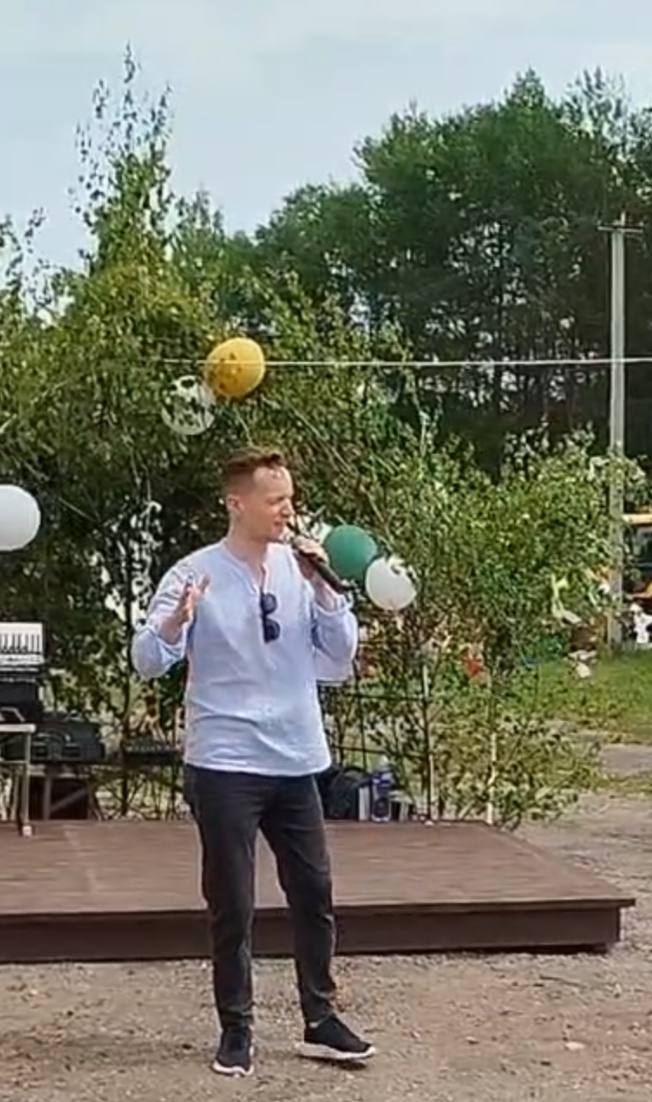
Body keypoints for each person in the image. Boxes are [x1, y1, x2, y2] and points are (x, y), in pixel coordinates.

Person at [131, 445, 374, 1078]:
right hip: (225, 760)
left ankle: (321, 1019)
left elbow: (340, 659)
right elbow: (147, 660)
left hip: (295, 757)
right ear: (236, 504)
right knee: (233, 901)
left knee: (314, 891)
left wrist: (326, 591)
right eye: (275, 500)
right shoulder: (194, 573)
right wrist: (174, 623)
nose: (288, 510)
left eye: (290, 498)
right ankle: (236, 1029)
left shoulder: (302, 571)